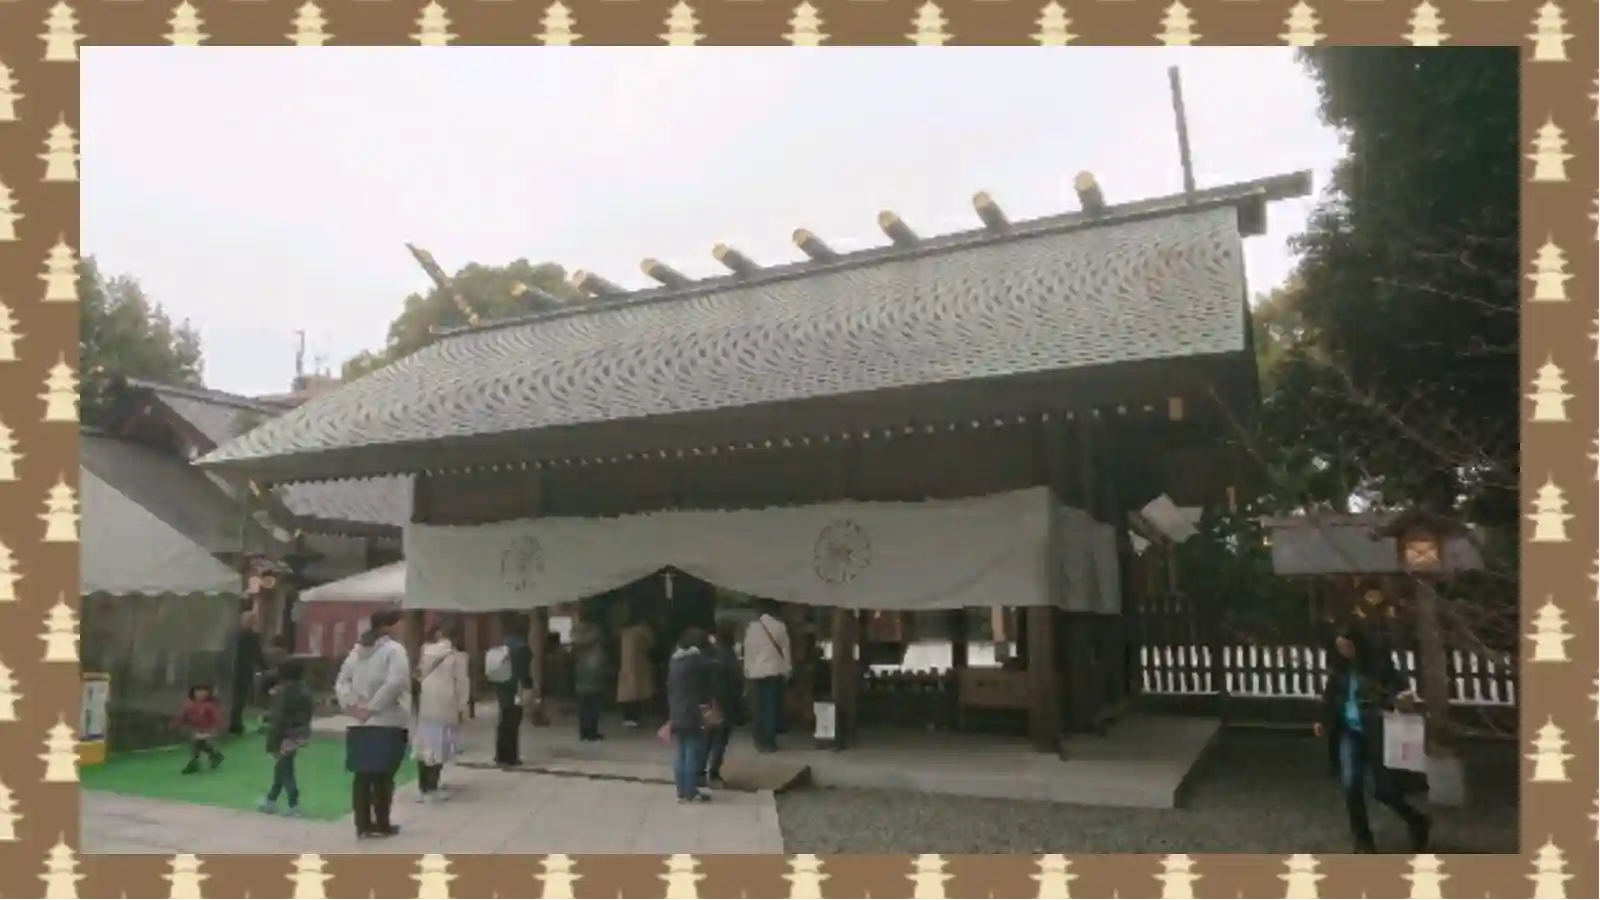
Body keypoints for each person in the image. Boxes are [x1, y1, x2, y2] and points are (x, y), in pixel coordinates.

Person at [1314, 624, 1432, 854]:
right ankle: (1362, 838)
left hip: (1376, 731)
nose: (1344, 651)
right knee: (1351, 784)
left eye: (1347, 646)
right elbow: (1330, 696)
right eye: (1340, 648)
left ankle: (1417, 821)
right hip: (1349, 732)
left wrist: (1400, 697)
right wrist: (1322, 720)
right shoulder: (1339, 669)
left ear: (1357, 644)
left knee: (1385, 791)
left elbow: (1397, 686)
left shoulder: (1377, 665)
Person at [335, 608, 412, 839]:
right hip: (387, 720)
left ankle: (362, 824)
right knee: (383, 776)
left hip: (359, 722)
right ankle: (381, 822)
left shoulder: (357, 650)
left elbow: (342, 682)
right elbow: (396, 681)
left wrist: (352, 706)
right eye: (400, 622)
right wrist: (373, 707)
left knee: (362, 776)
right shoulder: (395, 650)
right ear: (388, 626)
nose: (403, 627)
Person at [413, 621, 471, 802]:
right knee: (440, 746)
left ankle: (422, 787)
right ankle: (433, 787)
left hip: (426, 703)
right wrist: (462, 707)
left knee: (425, 746)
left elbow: (419, 675)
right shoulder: (457, 657)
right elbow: (462, 684)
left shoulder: (425, 651)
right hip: (447, 704)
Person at [666, 627, 715, 803]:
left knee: (681, 751)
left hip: (677, 711)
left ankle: (681, 790)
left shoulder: (675, 661)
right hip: (692, 712)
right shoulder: (696, 662)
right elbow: (706, 682)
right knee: (693, 751)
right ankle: (690, 791)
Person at [260, 659, 314, 816]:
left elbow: (279, 717)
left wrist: (272, 740)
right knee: (282, 767)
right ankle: (271, 799)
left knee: (285, 770)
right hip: (298, 733)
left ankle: (293, 804)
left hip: (284, 735)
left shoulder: (283, 692)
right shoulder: (305, 690)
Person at [741, 601, 791, 753]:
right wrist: (787, 671)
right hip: (773, 672)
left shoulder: (751, 628)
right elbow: (785, 650)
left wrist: (747, 671)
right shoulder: (779, 626)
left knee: (757, 708)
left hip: (755, 673)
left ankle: (758, 740)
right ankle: (769, 742)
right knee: (770, 708)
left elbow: (748, 651)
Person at [488, 612, 534, 767]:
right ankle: (511, 757)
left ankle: (500, 755)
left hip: (502, 685)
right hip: (516, 688)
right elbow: (524, 672)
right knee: (513, 722)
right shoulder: (522, 648)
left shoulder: (505, 643)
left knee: (504, 721)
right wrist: (528, 688)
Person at [702, 623, 743, 788]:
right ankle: (714, 772)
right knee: (720, 738)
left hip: (708, 700)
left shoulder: (709, 653)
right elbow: (736, 680)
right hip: (725, 701)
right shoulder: (729, 655)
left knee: (707, 738)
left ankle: (699, 771)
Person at [571, 610, 609, 742]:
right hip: (594, 672)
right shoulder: (596, 632)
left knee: (583, 705)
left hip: (581, 672)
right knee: (593, 704)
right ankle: (592, 732)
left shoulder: (577, 633)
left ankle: (584, 732)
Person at [228, 611, 266, 735]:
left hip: (231, 669)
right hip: (244, 670)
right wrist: (264, 668)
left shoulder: (233, 634)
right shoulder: (253, 636)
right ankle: (236, 724)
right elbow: (257, 654)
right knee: (240, 699)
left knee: (232, 698)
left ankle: (230, 722)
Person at [617, 611, 656, 728]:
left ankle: (627, 717)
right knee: (637, 692)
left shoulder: (624, 632)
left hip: (625, 663)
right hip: (639, 664)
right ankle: (633, 717)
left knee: (627, 693)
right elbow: (651, 644)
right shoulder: (643, 631)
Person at [175, 683, 225, 774]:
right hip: (197, 729)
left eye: (203, 692)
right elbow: (183, 716)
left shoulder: (209, 705)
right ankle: (214, 755)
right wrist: (177, 723)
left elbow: (216, 717)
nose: (200, 694)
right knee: (198, 744)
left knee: (197, 743)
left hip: (208, 729)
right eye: (198, 691)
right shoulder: (189, 705)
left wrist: (216, 727)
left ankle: (196, 763)